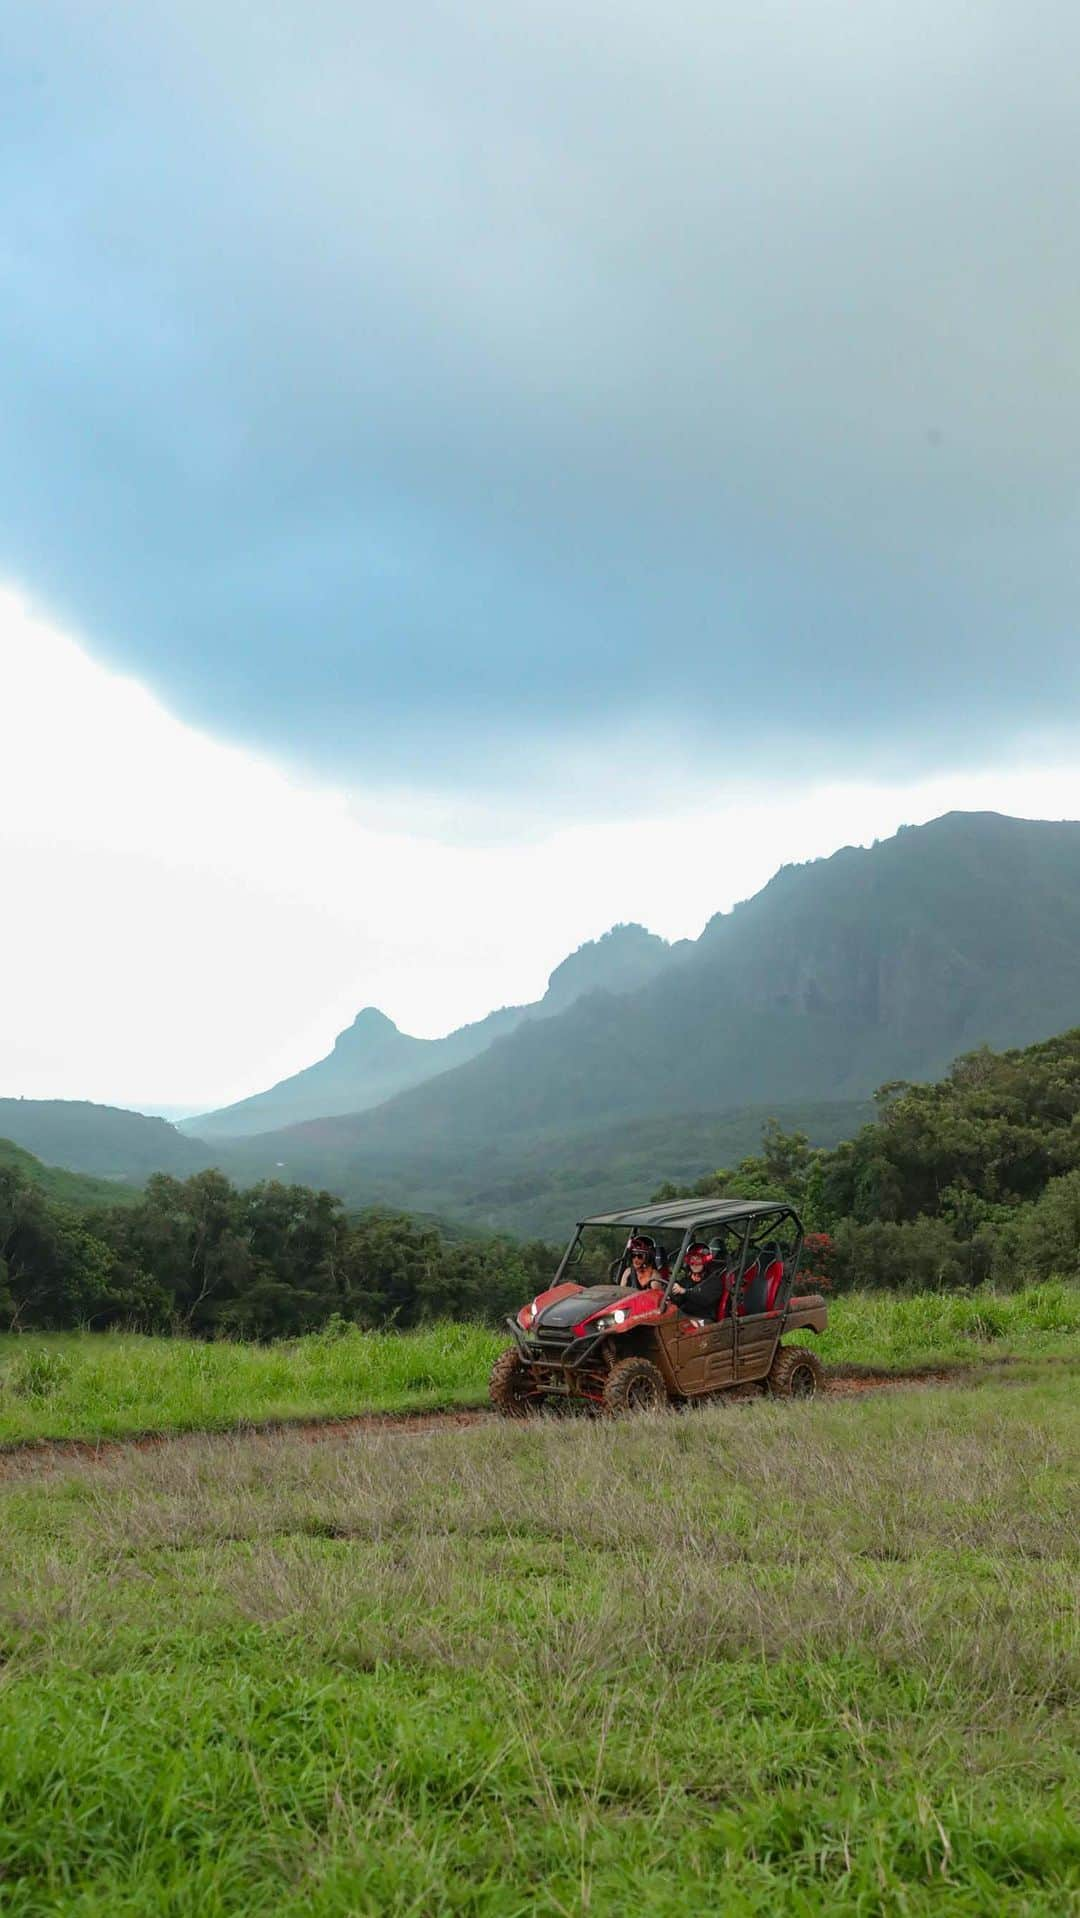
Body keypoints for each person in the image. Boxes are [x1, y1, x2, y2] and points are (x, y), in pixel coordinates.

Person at [670, 1241, 731, 1319]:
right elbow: (678, 1301)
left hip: (705, 1320)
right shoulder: (685, 1281)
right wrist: (671, 1294)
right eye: (692, 1259)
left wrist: (684, 1291)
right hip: (685, 1318)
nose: (694, 1264)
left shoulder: (714, 1282)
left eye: (698, 1259)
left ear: (705, 1261)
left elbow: (704, 1300)